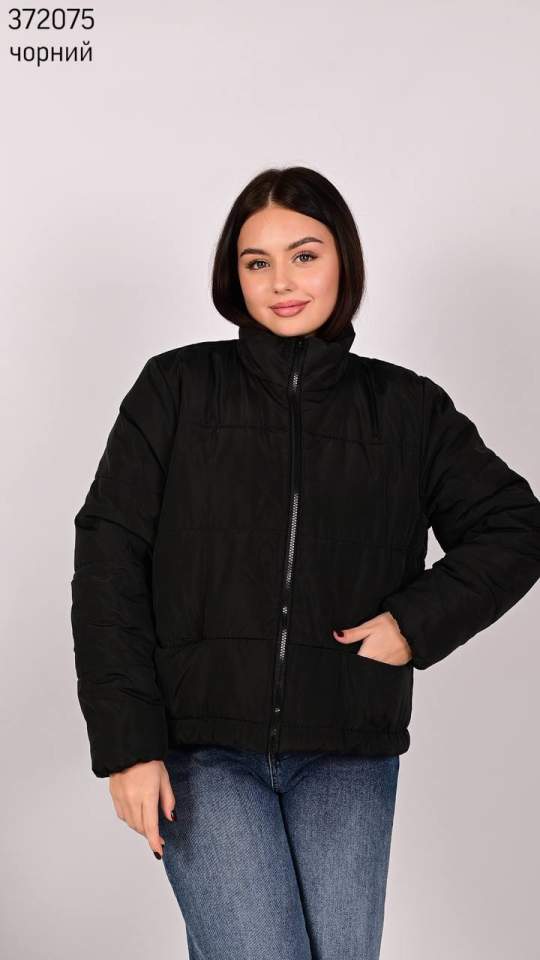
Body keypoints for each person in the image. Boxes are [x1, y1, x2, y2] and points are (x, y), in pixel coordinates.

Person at [70, 166, 540, 960]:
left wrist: (415, 623)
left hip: (348, 751)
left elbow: (515, 526)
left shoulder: (407, 409)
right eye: (257, 262)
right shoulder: (176, 389)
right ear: (234, 275)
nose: (282, 282)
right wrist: (128, 745)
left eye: (305, 255)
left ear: (342, 261)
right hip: (202, 749)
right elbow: (109, 561)